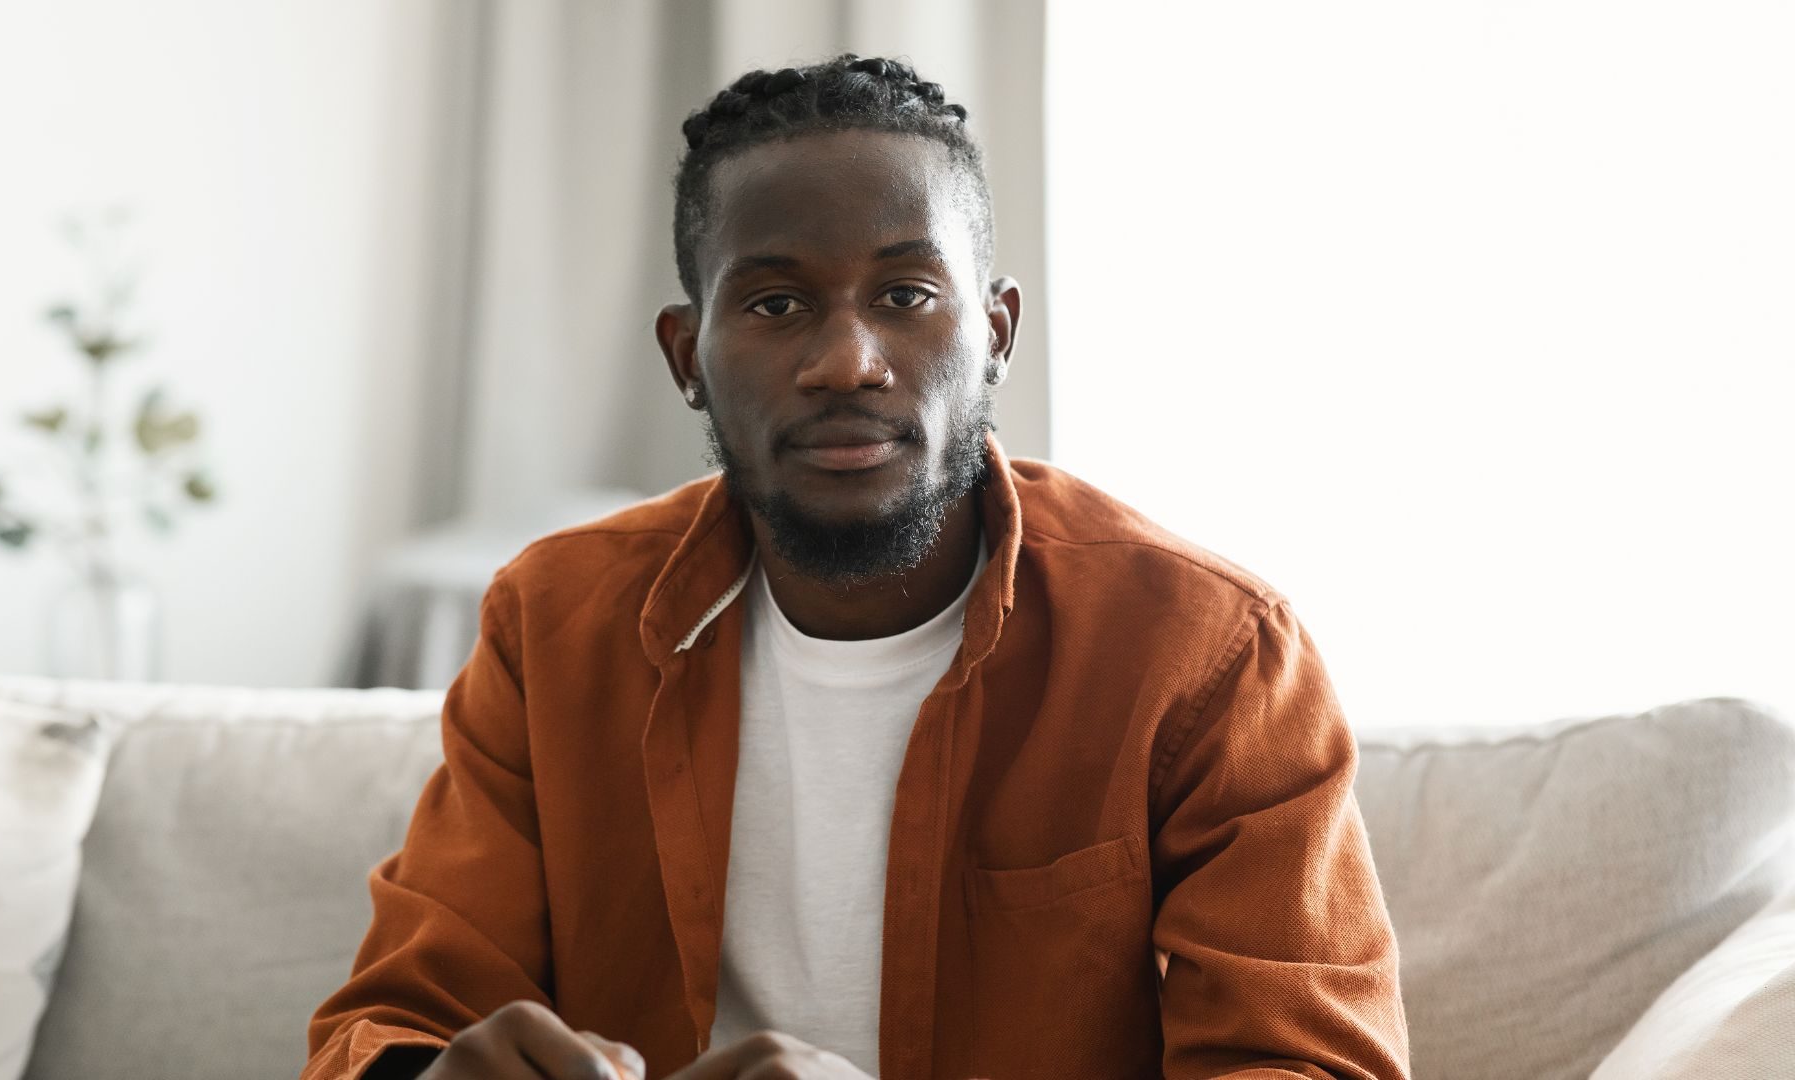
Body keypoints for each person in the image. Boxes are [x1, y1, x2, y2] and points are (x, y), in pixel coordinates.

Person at [303, 54, 1411, 1080]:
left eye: (906, 295)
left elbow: (1313, 1062)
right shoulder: (551, 626)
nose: (846, 362)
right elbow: (390, 1018)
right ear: (688, 358)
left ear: (998, 331)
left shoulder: (1209, 654)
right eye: (776, 304)